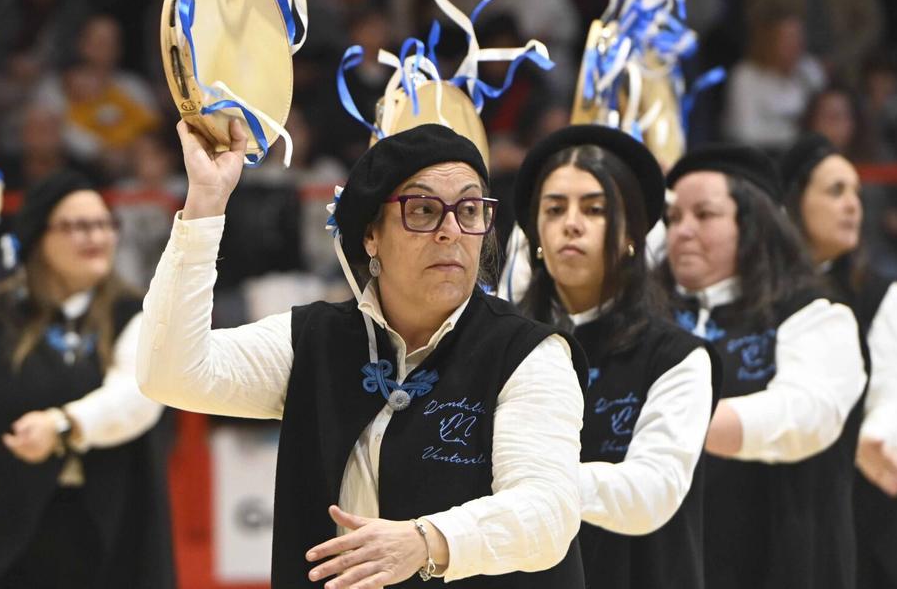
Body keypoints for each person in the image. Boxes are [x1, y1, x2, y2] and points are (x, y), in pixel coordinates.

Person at [138, 120, 588, 587]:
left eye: (470, 210)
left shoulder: (529, 354)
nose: (451, 230)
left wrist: (425, 541)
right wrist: (205, 205)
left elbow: (547, 513)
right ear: (371, 234)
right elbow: (171, 374)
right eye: (424, 209)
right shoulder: (314, 338)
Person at [0, 170, 174, 588]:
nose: (95, 236)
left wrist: (63, 425)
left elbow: (138, 395)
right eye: (76, 226)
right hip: (9, 537)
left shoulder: (138, 311)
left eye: (103, 223)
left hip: (114, 532)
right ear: (38, 238)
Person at [511, 125, 718, 587]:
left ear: (630, 232)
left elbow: (653, 491)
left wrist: (532, 484)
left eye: (595, 208)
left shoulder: (678, 357)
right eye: (555, 208)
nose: (572, 223)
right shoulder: (505, 346)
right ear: (536, 235)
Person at [660, 144, 866, 589]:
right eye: (674, 218)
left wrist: (681, 421)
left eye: (705, 215)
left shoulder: (814, 313)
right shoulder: (648, 318)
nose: (683, 231)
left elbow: (807, 413)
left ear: (753, 224)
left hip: (783, 560)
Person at [780, 133, 897, 589]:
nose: (852, 206)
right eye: (835, 191)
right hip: (787, 504)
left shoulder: (879, 293)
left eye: (857, 194)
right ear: (794, 202)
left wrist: (876, 438)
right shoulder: (763, 297)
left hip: (864, 502)